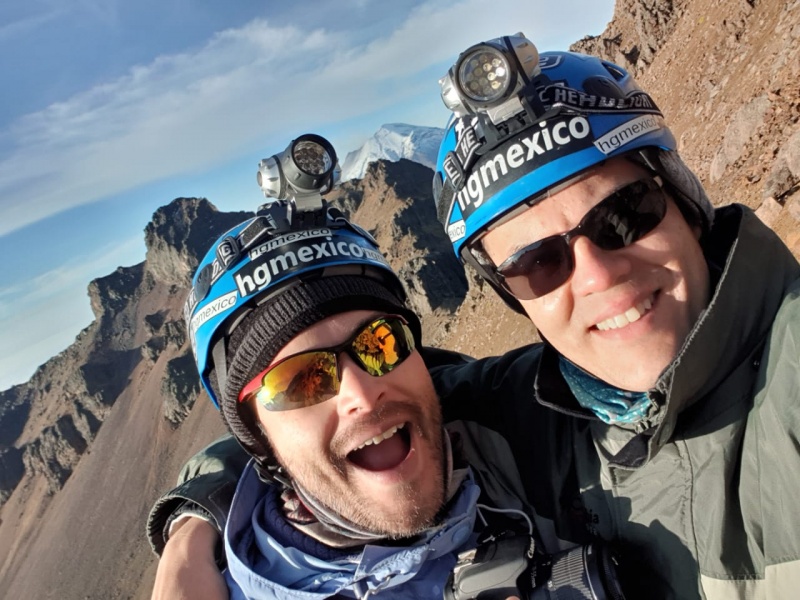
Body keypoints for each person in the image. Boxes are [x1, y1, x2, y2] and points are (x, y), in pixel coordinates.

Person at [151, 34, 800, 599]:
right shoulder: (534, 421)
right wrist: (195, 522)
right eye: (539, 261)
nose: (598, 275)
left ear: (685, 201)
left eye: (624, 216)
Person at [149, 133, 558, 600]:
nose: (362, 393)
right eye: (302, 381)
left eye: (381, 343)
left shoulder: (532, 435)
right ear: (258, 436)